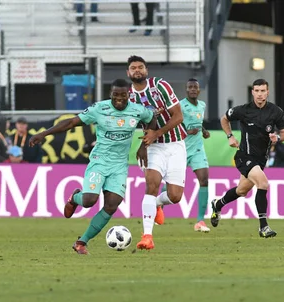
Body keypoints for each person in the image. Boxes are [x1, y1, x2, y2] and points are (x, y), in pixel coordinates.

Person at [29, 79, 155, 255]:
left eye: (123, 95)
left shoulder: (137, 110)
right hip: (99, 161)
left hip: (119, 166)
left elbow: (152, 120)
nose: (119, 98)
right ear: (111, 93)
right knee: (89, 201)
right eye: (115, 95)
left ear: (129, 95)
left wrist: (144, 145)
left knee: (112, 205)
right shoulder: (99, 109)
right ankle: (75, 198)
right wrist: (44, 133)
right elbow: (71, 122)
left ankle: (81, 242)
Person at [210, 78, 284, 238]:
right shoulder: (243, 110)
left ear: (268, 92)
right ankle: (263, 227)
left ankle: (218, 204)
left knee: (241, 190)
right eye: (257, 91)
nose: (260, 94)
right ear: (252, 92)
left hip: (261, 160)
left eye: (263, 91)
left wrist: (278, 139)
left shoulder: (276, 111)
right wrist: (230, 136)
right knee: (263, 183)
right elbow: (224, 119)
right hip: (244, 156)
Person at [126, 55, 186, 250]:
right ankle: (147, 236)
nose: (137, 70)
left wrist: (156, 133)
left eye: (140, 67)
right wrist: (144, 145)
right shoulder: (128, 97)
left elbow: (178, 116)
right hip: (153, 147)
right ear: (128, 73)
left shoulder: (160, 86)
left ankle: (159, 204)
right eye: (133, 68)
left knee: (175, 196)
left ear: (146, 70)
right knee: (151, 185)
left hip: (175, 143)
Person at [178, 78, 211, 232]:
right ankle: (159, 205)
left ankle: (200, 220)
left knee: (204, 180)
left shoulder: (202, 105)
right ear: (186, 90)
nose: (192, 89)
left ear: (199, 90)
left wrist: (203, 130)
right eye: (189, 87)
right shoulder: (180, 106)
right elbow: (173, 124)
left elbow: (198, 121)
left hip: (197, 149)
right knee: (174, 184)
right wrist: (187, 132)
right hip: (181, 148)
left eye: (195, 87)